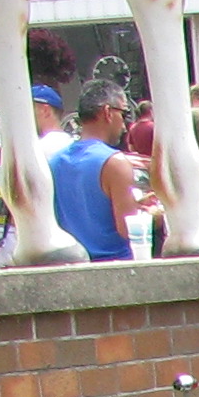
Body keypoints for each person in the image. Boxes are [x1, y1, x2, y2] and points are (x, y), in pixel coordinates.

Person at [49, 82, 138, 263]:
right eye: (124, 114)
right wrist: (158, 215)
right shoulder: (115, 163)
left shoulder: (55, 161)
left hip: (72, 264)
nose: (125, 126)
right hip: (116, 265)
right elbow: (128, 228)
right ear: (107, 112)